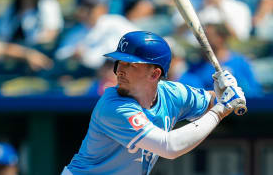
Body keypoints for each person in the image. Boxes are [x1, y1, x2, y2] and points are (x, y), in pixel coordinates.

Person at [61, 31, 246, 175]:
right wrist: (221, 109)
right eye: (120, 62)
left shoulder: (173, 93)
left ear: (155, 74)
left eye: (131, 64)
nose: (120, 71)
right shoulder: (113, 107)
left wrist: (223, 92)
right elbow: (170, 147)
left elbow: (212, 100)